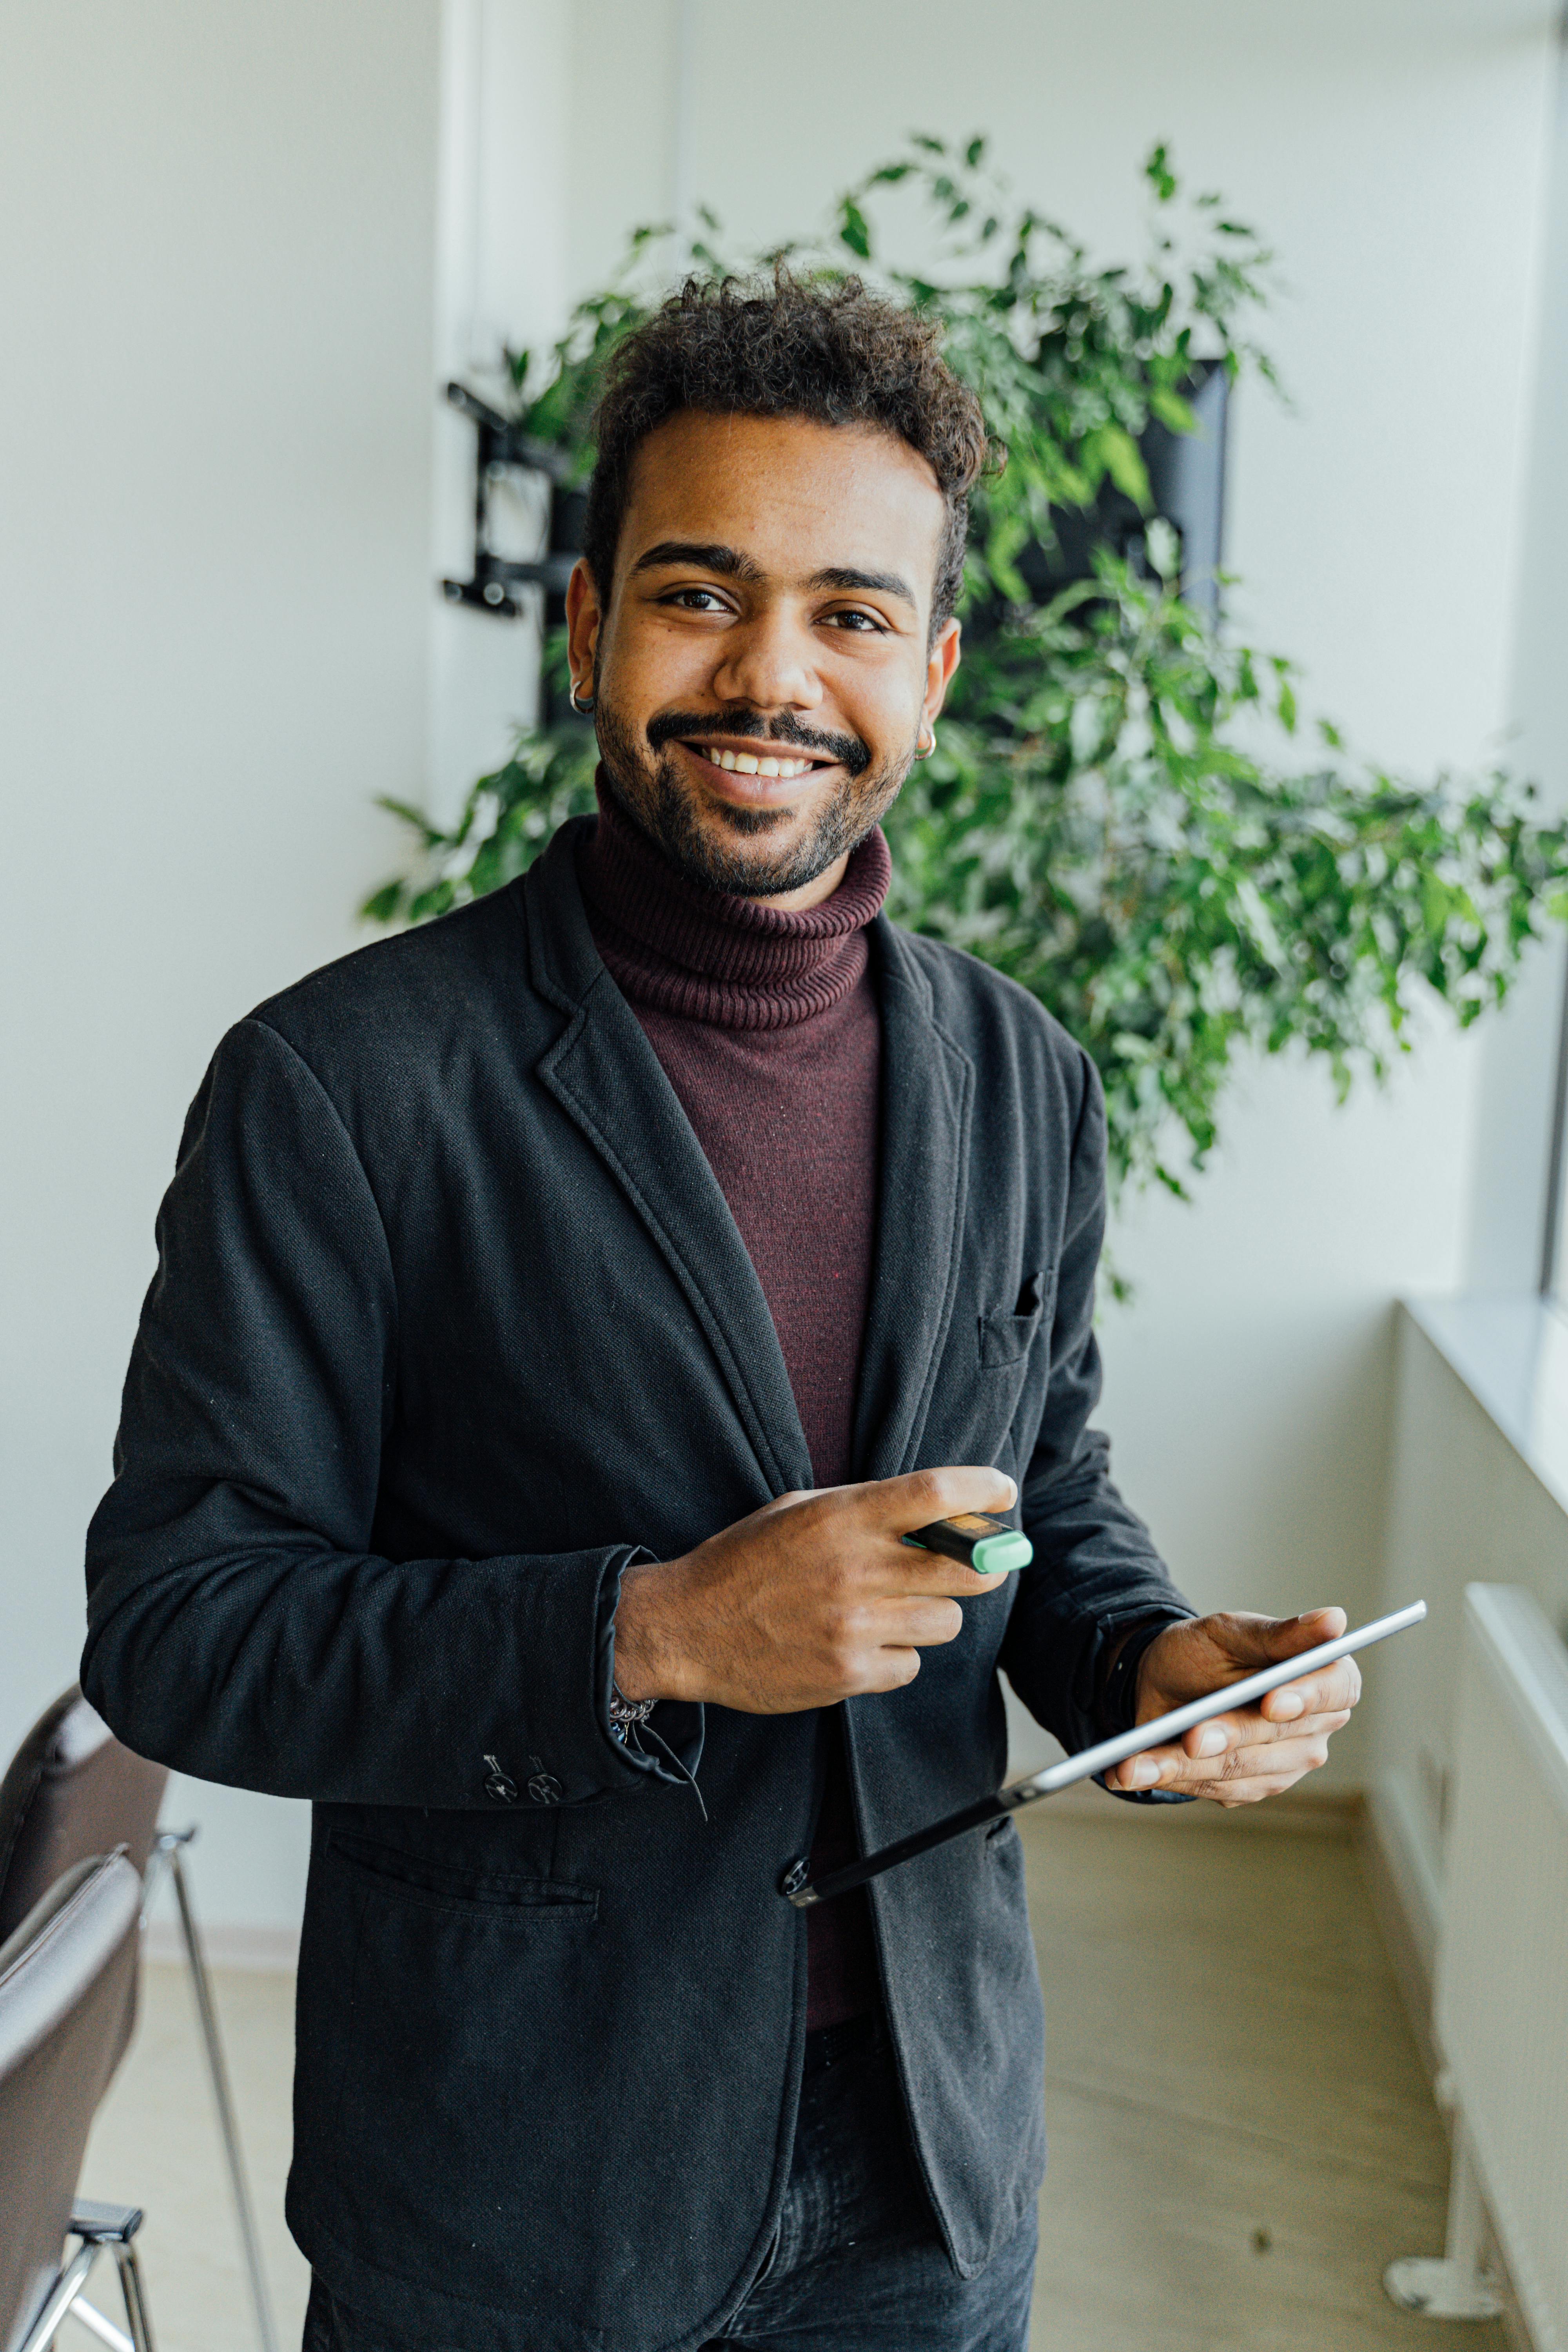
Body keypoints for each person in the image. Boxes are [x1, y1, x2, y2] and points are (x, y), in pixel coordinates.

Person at [83, 270, 1361, 2352]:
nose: (773, 675)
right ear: (586, 625)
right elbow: (182, 1626)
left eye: (853, 615)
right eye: (701, 593)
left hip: (929, 2176)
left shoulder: (1023, 1070)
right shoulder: (347, 1084)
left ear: (932, 676)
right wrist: (655, 1629)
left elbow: (1036, 1498)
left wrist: (1147, 1662)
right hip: (514, 2192)